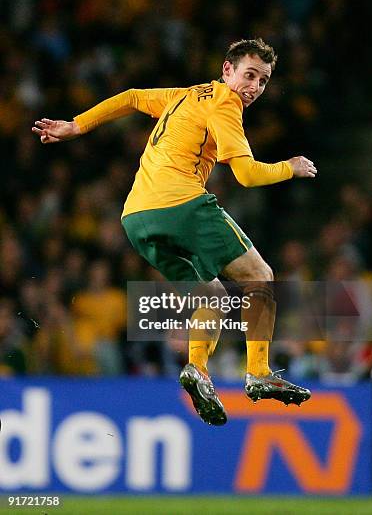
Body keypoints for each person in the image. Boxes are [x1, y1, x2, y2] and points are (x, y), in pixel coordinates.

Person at [32, 38, 317, 426]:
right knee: (260, 276)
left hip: (135, 217)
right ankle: (259, 372)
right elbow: (247, 175)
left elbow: (132, 97)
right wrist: (291, 166)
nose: (253, 87)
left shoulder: (184, 95)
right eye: (249, 75)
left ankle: (196, 370)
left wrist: (76, 125)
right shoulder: (225, 103)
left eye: (263, 81)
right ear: (227, 70)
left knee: (211, 296)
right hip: (180, 204)